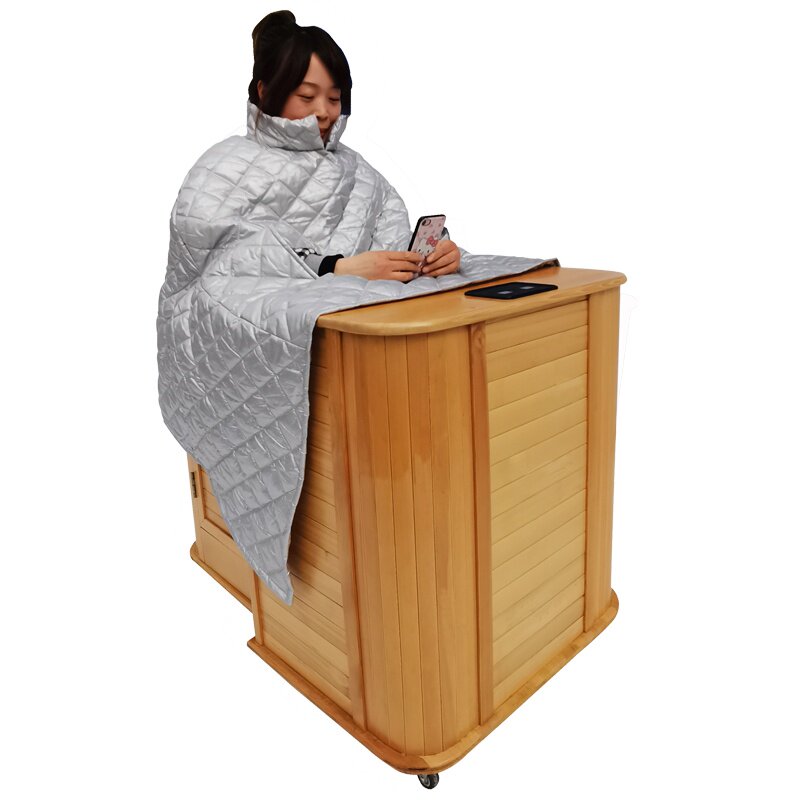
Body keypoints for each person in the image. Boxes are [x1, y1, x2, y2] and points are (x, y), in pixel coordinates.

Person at [244, 9, 461, 281]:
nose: (324, 112)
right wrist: (335, 268)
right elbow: (233, 259)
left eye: (334, 99)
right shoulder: (228, 168)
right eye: (307, 96)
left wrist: (437, 253)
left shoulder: (357, 168)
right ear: (265, 91)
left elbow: (392, 237)